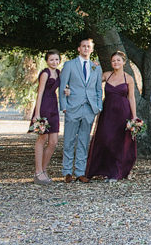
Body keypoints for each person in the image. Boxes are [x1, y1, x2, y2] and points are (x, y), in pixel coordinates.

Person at [86, 51, 138, 182]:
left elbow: (131, 98)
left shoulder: (129, 78)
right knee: (105, 139)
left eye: (118, 60)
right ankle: (100, 170)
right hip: (107, 111)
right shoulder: (106, 75)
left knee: (119, 142)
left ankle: (116, 172)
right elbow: (91, 80)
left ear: (124, 62)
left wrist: (134, 116)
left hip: (123, 112)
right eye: (113, 61)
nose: (116, 63)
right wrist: (93, 66)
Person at [59, 37, 103, 183]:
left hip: (89, 108)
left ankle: (80, 171)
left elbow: (98, 89)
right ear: (79, 48)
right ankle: (67, 171)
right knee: (69, 140)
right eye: (83, 46)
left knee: (84, 140)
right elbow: (62, 86)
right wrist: (64, 106)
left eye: (88, 46)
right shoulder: (69, 65)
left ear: (91, 49)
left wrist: (98, 107)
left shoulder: (96, 67)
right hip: (73, 107)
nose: (86, 48)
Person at [31, 50, 61, 185]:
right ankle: (38, 172)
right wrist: (37, 114)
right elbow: (40, 93)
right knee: (42, 138)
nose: (54, 62)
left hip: (54, 107)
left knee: (54, 141)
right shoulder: (45, 73)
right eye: (51, 60)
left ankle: (44, 169)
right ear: (47, 61)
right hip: (44, 107)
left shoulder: (58, 73)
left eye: (56, 59)